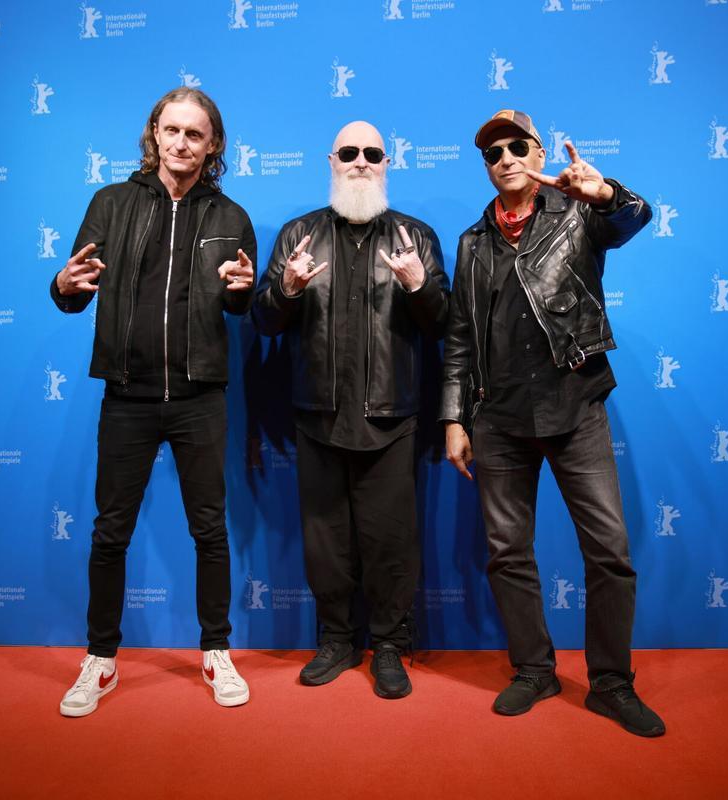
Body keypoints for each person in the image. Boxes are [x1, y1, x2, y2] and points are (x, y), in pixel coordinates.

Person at [441, 109, 665, 736]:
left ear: (538, 153)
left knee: (609, 553)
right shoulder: (472, 242)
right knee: (507, 552)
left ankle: (612, 685)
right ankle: (534, 670)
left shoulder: (579, 215)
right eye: (494, 153)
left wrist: (609, 193)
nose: (506, 158)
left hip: (575, 406)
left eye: (518, 146)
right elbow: (459, 335)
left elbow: (634, 219)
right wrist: (455, 419)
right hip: (500, 416)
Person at [50, 87, 256, 716]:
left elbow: (243, 302)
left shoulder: (231, 217)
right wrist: (61, 284)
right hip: (128, 396)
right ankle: (101, 659)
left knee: (209, 529)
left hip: (199, 397)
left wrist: (244, 291)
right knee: (110, 532)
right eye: (172, 130)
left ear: (212, 144)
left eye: (195, 134)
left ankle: (215, 651)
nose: (181, 143)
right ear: (154, 134)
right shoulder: (110, 204)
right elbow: (73, 293)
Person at [252, 121, 449, 699]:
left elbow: (445, 325)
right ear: (330, 161)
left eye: (372, 153)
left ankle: (388, 645)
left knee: (391, 543)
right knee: (325, 541)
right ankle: (337, 640)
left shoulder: (416, 237)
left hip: (392, 418)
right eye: (349, 152)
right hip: (318, 417)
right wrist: (286, 289)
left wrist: (419, 286)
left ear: (387, 163)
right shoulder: (299, 236)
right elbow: (262, 320)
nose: (360, 161)